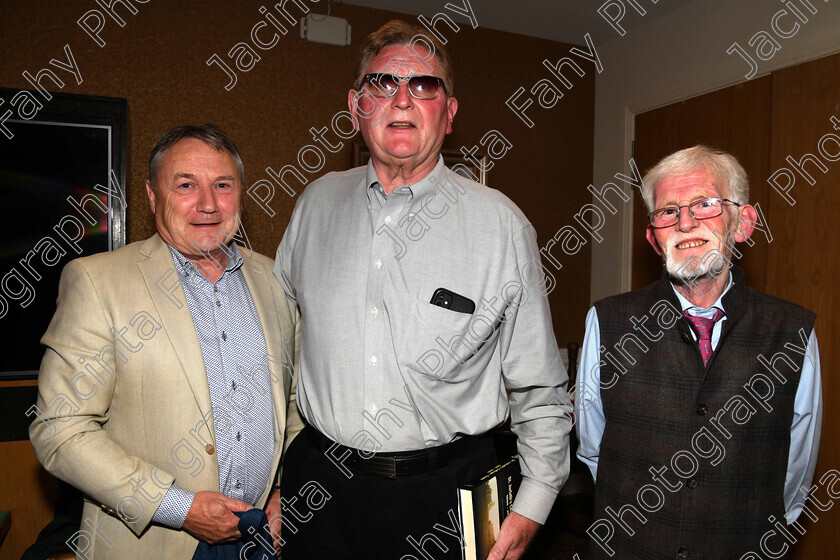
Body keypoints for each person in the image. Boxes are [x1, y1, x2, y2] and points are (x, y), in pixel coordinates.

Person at [274, 19, 572, 560]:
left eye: (424, 86)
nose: (402, 100)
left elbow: (540, 390)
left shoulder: (501, 227)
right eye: (383, 84)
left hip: (444, 496)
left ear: (450, 113)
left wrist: (534, 502)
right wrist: (281, 474)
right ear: (355, 105)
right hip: (318, 491)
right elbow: (286, 351)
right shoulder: (314, 206)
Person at [30, 124, 302, 560]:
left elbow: (294, 411)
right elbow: (60, 429)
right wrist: (178, 507)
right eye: (186, 185)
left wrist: (285, 490)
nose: (208, 203)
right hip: (152, 543)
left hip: (260, 541)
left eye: (223, 185)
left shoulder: (275, 282)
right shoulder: (99, 281)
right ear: (153, 196)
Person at [575, 146, 822, 559]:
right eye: (667, 212)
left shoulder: (793, 331)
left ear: (742, 223)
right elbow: (594, 445)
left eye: (705, 204)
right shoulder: (607, 321)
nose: (685, 221)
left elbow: (796, 465)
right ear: (654, 239)